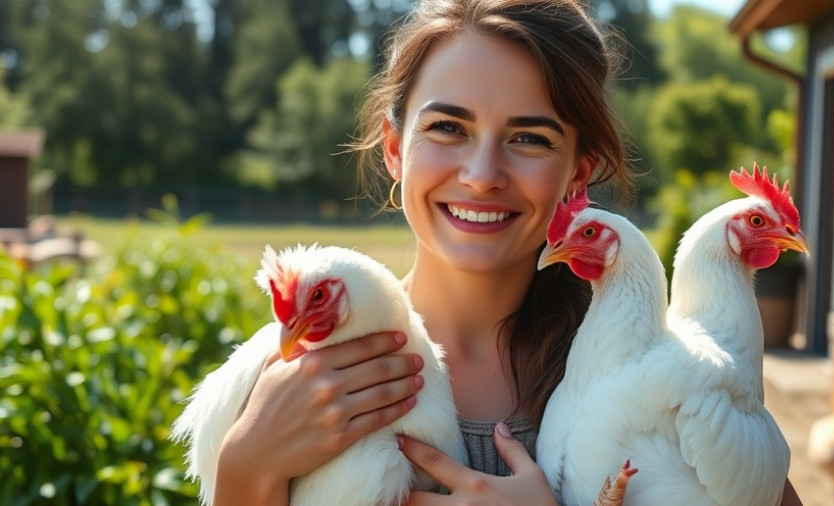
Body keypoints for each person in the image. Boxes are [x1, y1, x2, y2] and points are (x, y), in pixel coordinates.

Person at [213, 0, 803, 504]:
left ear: (578, 174)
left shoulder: (664, 375)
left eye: (529, 138)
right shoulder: (299, 373)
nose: (481, 175)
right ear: (394, 149)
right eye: (448, 128)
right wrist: (246, 465)